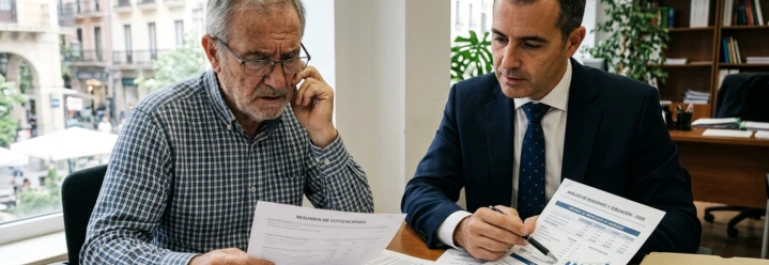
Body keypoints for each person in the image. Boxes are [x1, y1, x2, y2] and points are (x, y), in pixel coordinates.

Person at [401, 0, 701, 262]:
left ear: (572, 42)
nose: (507, 62)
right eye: (499, 38)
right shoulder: (469, 100)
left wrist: (592, 243)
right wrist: (461, 228)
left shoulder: (630, 107)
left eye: (531, 45)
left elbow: (679, 222)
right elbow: (422, 190)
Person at [80, 0, 374, 264]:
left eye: (289, 57)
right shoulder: (160, 120)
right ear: (213, 54)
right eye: (257, 60)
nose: (278, 81)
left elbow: (360, 225)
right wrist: (193, 264)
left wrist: (324, 135)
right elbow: (103, 246)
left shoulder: (300, 113)